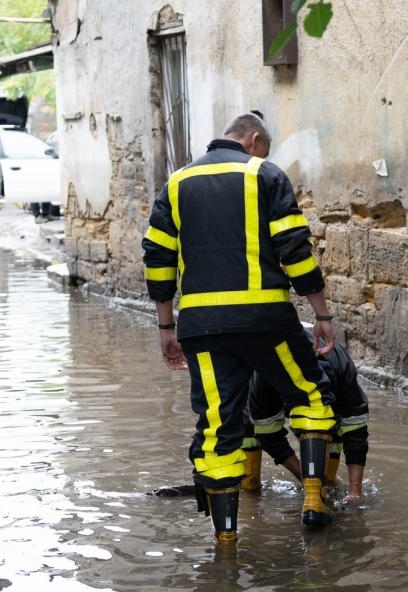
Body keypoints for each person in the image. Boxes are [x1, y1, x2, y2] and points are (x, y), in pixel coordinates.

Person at [142, 112, 339, 548]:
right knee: (309, 395)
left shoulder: (176, 184)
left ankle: (226, 544)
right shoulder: (265, 174)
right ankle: (313, 499)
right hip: (265, 320)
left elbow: (157, 257)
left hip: (202, 326)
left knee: (217, 424)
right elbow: (295, 250)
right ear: (252, 140)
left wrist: (165, 326)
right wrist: (322, 315)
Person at [242, 325, 369, 500]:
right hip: (266, 361)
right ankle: (249, 489)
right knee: (247, 427)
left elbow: (356, 430)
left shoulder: (341, 368)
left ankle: (327, 482)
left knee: (336, 429)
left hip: (319, 363)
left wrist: (355, 493)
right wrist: (306, 479)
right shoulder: (262, 377)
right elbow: (267, 434)